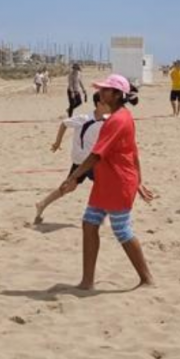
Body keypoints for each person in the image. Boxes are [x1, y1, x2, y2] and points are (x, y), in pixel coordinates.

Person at [60, 74, 154, 290]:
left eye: (106, 90)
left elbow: (95, 155)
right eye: (101, 89)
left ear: (118, 95)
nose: (101, 93)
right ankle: (87, 281)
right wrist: (139, 180)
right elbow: (133, 150)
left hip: (118, 182)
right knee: (89, 224)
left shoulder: (118, 120)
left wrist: (73, 177)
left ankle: (147, 278)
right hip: (107, 181)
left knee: (122, 229)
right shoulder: (121, 116)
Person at [33, 92, 110, 224]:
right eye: (107, 102)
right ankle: (98, 215)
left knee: (70, 186)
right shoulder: (85, 118)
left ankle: (42, 204)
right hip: (82, 161)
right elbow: (64, 123)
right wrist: (57, 143)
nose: (110, 105)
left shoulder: (107, 120)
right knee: (105, 185)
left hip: (91, 160)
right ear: (99, 104)